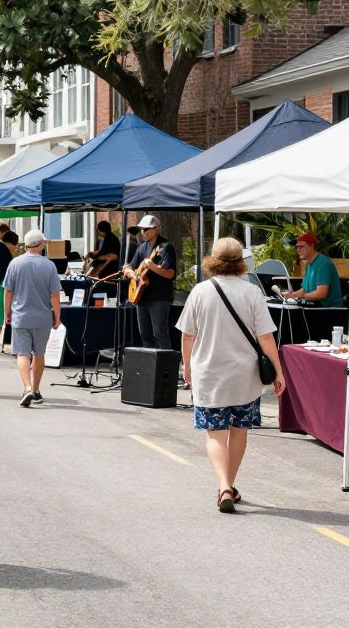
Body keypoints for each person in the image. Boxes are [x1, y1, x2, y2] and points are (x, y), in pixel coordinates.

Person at [176, 237, 286, 513]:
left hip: (209, 374)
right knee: (239, 431)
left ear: (212, 260)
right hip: (244, 376)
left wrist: (186, 366)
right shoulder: (252, 293)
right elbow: (266, 338)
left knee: (215, 434)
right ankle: (230, 485)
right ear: (241, 263)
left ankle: (224, 485)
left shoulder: (200, 291)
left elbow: (187, 336)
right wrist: (279, 371)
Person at [3, 230, 61, 407]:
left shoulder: (15, 263)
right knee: (39, 354)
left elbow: (8, 291)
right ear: (41, 244)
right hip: (42, 317)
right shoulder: (49, 265)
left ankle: (27, 387)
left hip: (21, 316)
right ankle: (36, 390)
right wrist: (57, 316)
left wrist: (7, 312)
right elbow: (55, 294)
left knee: (22, 353)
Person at [121, 214, 177, 350]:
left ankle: (166, 363)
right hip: (141, 297)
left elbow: (170, 274)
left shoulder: (165, 247)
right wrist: (131, 273)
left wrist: (152, 266)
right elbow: (130, 266)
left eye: (146, 229)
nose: (143, 232)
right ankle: (149, 363)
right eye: (142, 229)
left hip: (159, 298)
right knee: (145, 335)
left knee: (160, 334)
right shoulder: (142, 247)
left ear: (157, 229)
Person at [283, 232, 343, 307]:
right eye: (297, 247)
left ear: (311, 245)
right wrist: (291, 295)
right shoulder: (309, 264)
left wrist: (301, 298)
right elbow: (304, 290)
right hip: (317, 306)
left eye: (301, 247)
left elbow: (321, 294)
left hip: (329, 309)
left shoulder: (323, 263)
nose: (297, 250)